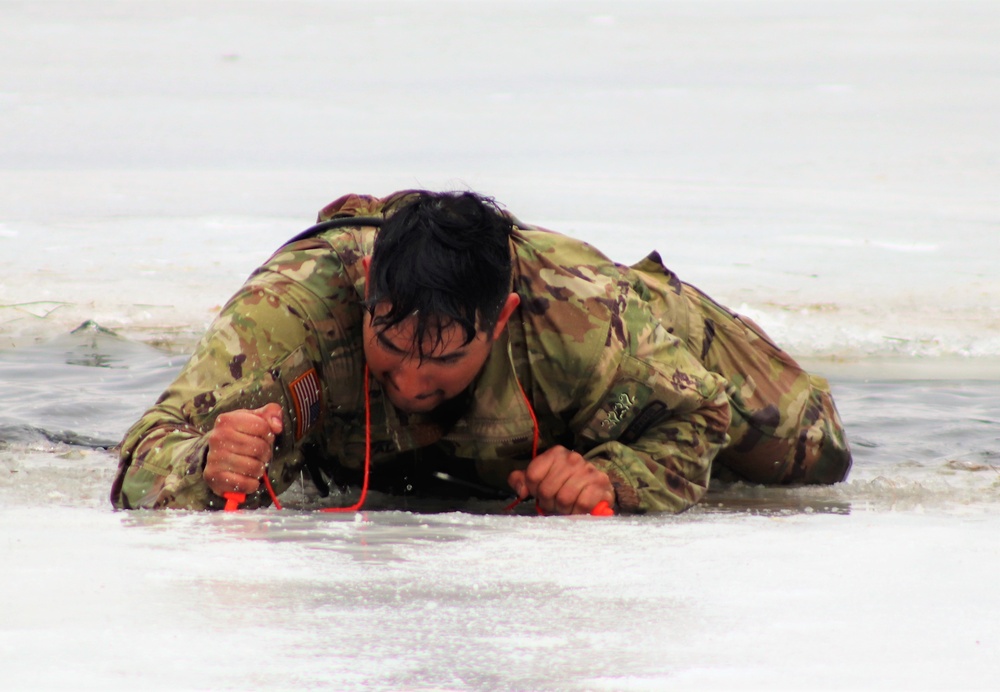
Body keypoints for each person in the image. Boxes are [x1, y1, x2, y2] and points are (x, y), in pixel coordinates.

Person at [110, 190, 852, 515]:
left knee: (810, 455)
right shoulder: (288, 315)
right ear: (367, 289)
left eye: (441, 360)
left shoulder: (581, 318)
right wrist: (204, 459)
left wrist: (612, 479)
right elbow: (143, 454)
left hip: (658, 337)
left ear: (499, 321)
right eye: (391, 346)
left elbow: (698, 413)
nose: (408, 379)